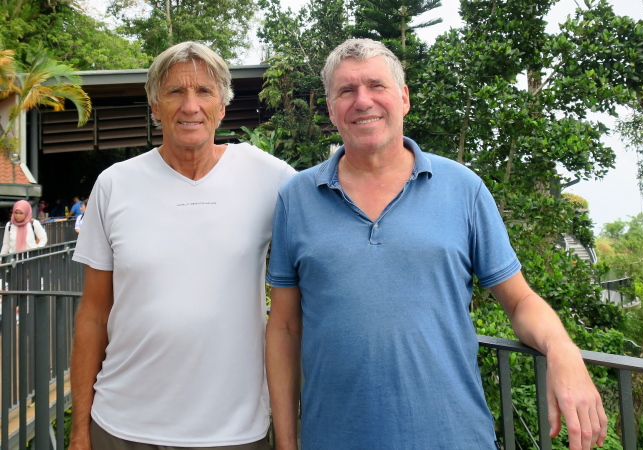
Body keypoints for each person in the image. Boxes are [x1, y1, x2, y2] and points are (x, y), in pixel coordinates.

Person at [265, 39, 607, 450]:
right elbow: (284, 327)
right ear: (331, 108)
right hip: (334, 439)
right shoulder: (296, 198)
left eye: (376, 85)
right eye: (346, 90)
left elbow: (519, 301)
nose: (362, 100)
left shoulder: (464, 188)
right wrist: (286, 443)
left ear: (403, 98)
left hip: (455, 437)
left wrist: (562, 349)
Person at [69, 41, 295, 450]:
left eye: (204, 91)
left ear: (222, 106)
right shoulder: (115, 184)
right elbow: (93, 314)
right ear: (155, 106)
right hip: (121, 426)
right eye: (175, 91)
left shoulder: (271, 177)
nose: (191, 106)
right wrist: (79, 432)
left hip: (233, 431)